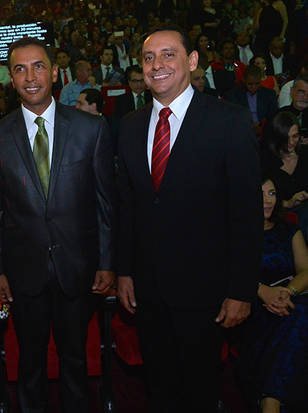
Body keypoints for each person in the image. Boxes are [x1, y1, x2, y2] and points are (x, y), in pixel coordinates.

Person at [117, 27, 262, 413]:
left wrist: (241, 290)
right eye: (149, 58)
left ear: (192, 61)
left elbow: (246, 213)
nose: (157, 65)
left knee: (200, 391)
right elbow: (127, 205)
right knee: (160, 389)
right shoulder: (129, 126)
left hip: (207, 293)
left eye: (168, 55)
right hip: (148, 293)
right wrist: (124, 272)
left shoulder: (228, 121)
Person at [0, 37, 115, 412]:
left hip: (79, 267)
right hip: (25, 273)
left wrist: (106, 262)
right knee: (30, 363)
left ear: (55, 72)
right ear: (11, 79)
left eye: (38, 66)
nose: (30, 76)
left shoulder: (92, 129)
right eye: (20, 69)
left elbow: (106, 203)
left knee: (76, 361)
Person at [239, 177, 308, 413]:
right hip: (253, 303)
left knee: (298, 314)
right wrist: (264, 292)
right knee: (298, 317)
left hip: (291, 296)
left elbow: (306, 270)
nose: (267, 200)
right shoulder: (237, 234)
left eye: (271, 193)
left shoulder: (289, 229)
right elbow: (225, 273)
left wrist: (286, 293)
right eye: (260, 194)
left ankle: (270, 401)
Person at [225, 65, 278, 135]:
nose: (254, 87)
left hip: (265, 132)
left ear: (260, 80)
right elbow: (232, 118)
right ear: (244, 80)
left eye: (257, 84)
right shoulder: (233, 95)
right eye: (250, 84)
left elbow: (273, 117)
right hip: (241, 131)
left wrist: (262, 128)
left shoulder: (269, 94)